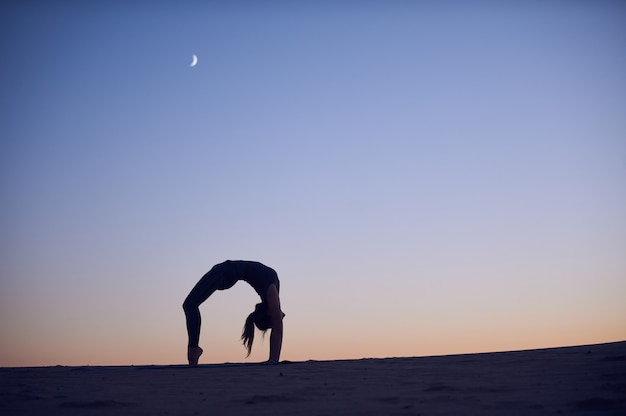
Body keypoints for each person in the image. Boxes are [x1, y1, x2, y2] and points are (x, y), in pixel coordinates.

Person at [182, 260, 284, 366]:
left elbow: (278, 327)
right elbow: (278, 329)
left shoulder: (271, 295)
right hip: (226, 272)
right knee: (190, 305)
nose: (279, 318)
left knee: (190, 305)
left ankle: (194, 350)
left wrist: (273, 359)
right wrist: (273, 359)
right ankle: (194, 350)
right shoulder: (271, 295)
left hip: (225, 272)